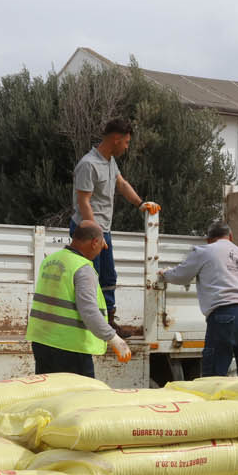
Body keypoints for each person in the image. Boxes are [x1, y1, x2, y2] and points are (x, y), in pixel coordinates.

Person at [72, 117, 159, 325]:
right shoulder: (88, 164)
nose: (127, 147)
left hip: (103, 230)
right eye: (126, 142)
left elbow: (122, 184)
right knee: (89, 278)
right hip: (87, 230)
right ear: (116, 139)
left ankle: (109, 322)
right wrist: (95, 234)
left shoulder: (110, 161)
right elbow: (83, 202)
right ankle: (89, 325)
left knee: (108, 277)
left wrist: (141, 204)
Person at [158, 220, 238, 377]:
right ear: (231, 237)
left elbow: (181, 276)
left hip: (226, 314)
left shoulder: (204, 251)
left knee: (214, 375)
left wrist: (165, 273)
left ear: (209, 239)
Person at [26, 222, 132, 377]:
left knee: (50, 391)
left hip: (42, 341)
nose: (101, 250)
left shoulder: (50, 260)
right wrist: (114, 338)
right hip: (69, 346)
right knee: (82, 392)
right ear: (94, 242)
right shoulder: (82, 268)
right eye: (101, 245)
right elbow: (89, 311)